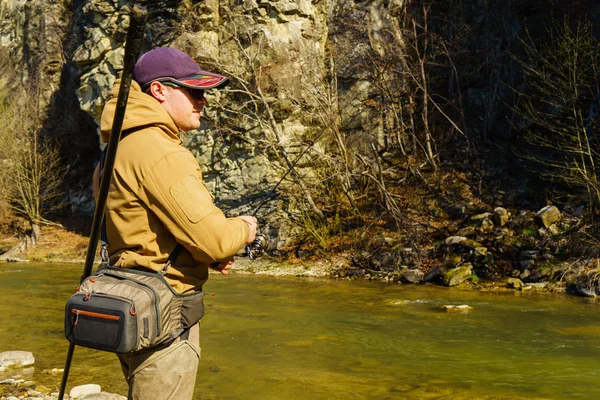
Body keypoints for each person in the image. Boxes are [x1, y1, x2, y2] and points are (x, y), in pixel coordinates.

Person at [95, 46, 258, 400]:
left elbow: (142, 230)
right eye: (194, 91)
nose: (202, 101)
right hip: (165, 316)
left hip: (131, 306)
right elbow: (215, 239)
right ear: (159, 90)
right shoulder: (161, 152)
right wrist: (245, 228)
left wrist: (202, 256)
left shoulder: (117, 148)